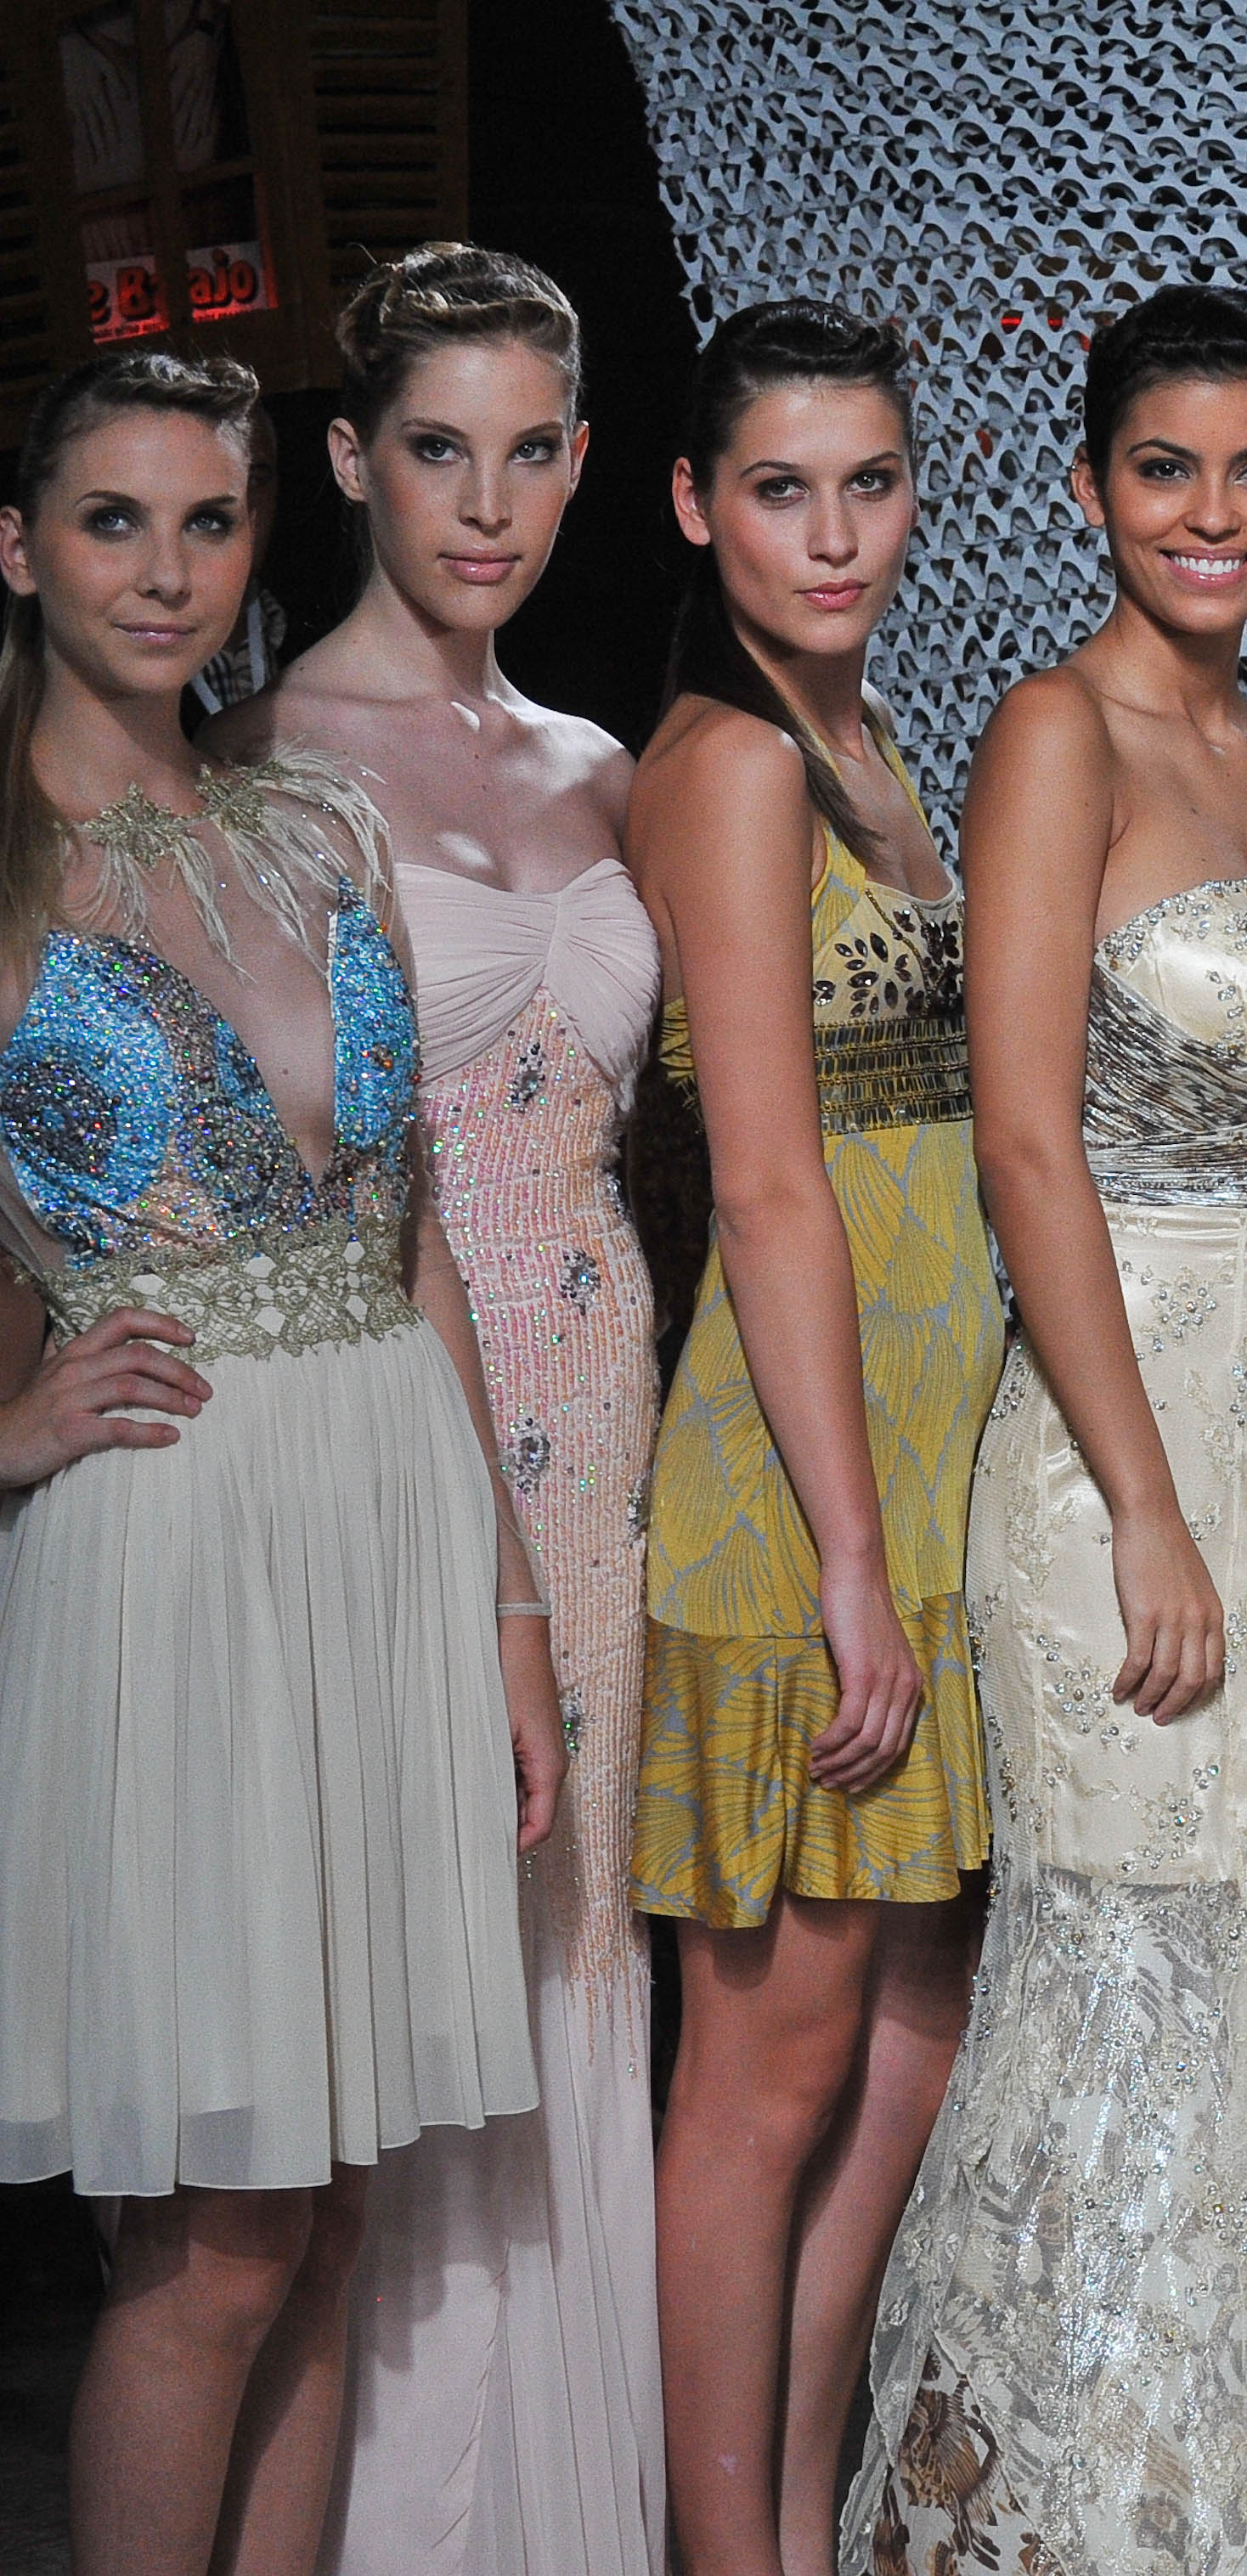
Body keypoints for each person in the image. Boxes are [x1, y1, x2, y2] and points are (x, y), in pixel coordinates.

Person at [841, 280, 1247, 2576]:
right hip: (1138, 1430)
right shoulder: (1056, 733)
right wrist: (1141, 1503)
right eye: (1163, 470)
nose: (1213, 514)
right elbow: (1025, 1138)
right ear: (1089, 487)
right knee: (1138, 1988)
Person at [0, 347, 556, 2576]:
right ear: (17, 547)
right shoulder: (3, 872)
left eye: (208, 522)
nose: (165, 570)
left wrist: (508, 1600)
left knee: (328, 2214)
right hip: (179, 1544)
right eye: (112, 519)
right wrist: (11, 1423)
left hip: (389, 1520)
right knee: (213, 2242)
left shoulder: (314, 821)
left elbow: (417, 1241)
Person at [204, 242, 665, 2576]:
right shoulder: (265, 769)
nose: (484, 504)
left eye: (527, 452)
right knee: (413, 1992)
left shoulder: (601, 767)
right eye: (434, 450)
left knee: (578, 1961)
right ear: (350, 461)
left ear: (582, 464)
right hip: (404, 1432)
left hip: (612, 1418)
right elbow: (273, 1191)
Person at [620, 301, 998, 2576]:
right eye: (780, 489)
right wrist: (851, 1554)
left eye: (867, 485)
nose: (832, 534)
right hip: (794, 1500)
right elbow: (766, 1183)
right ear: (694, 506)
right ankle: (724, 2552)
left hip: (926, 1477)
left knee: (905, 2042)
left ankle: (788, 2509)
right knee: (764, 2079)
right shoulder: (734, 764)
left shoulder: (872, 752)